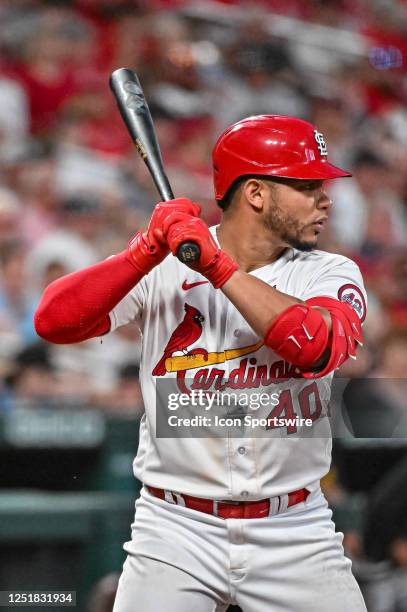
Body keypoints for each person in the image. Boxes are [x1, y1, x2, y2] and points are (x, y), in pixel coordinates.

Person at [34, 115, 367, 612]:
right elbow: (54, 321)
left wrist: (216, 265)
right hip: (175, 529)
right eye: (307, 185)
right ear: (256, 193)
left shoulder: (330, 271)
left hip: (294, 531)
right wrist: (144, 250)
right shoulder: (166, 265)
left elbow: (315, 347)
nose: (326, 199)